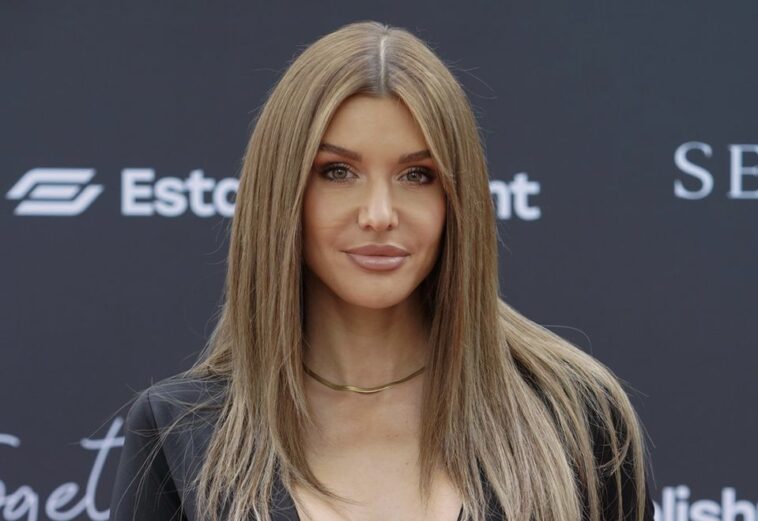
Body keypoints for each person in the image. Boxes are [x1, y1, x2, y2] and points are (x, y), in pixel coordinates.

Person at [109, 20, 656, 521]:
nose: (378, 214)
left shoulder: (574, 416)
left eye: (417, 175)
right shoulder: (182, 429)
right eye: (338, 171)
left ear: (457, 199)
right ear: (280, 193)